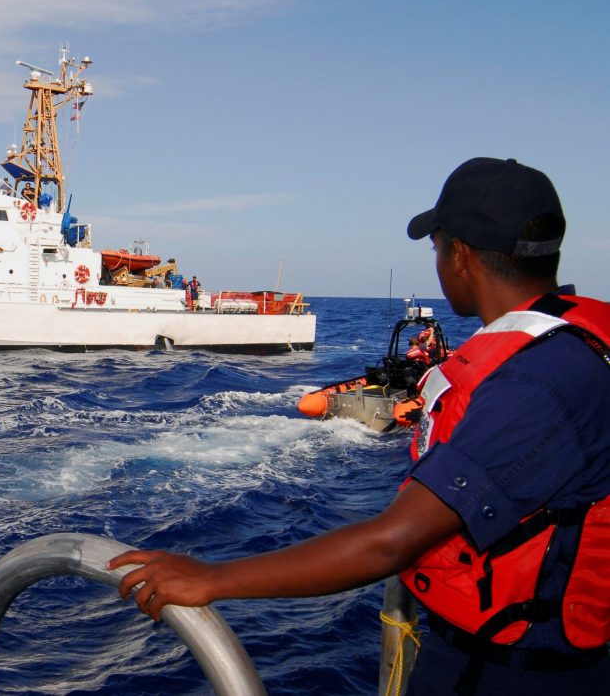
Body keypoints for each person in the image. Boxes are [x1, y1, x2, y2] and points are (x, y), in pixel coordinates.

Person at [107, 157, 610, 695]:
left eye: (437, 246)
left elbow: (389, 543)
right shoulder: (572, 344)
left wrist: (211, 577)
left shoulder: (533, 383)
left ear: (459, 255)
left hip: (519, 672)